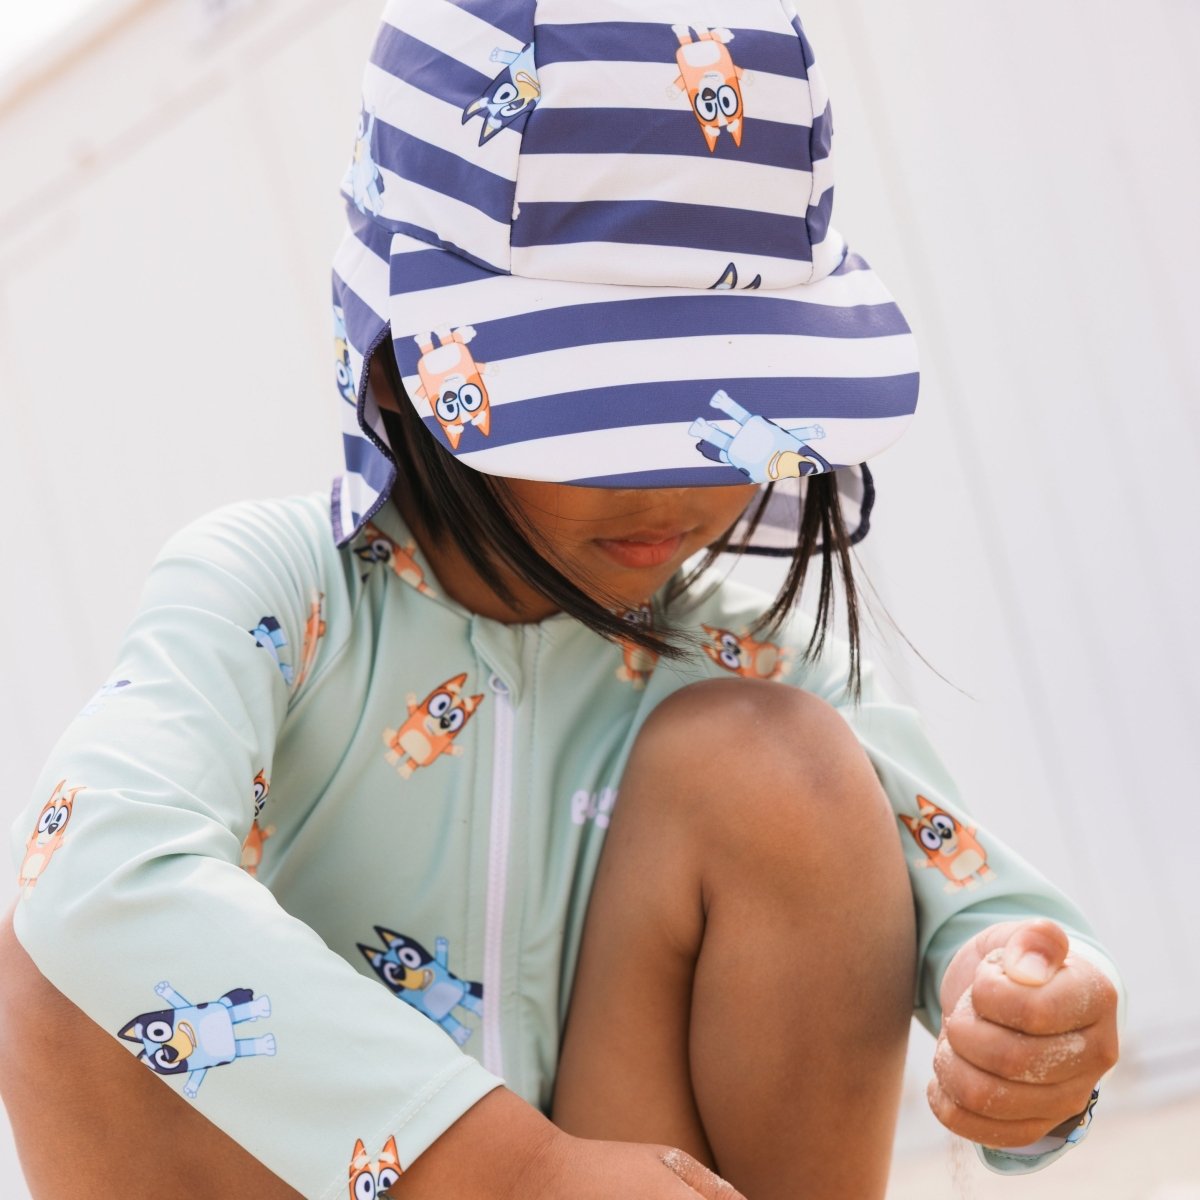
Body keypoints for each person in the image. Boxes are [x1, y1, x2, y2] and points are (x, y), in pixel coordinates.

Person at [0, 2, 1120, 1198]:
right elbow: (98, 872)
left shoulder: (748, 654)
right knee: (62, 952)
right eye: (608, 414)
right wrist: (514, 1172)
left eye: (726, 410)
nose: (679, 482)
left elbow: (972, 911)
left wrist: (1022, 1007)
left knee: (783, 764)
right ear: (402, 365)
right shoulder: (279, 595)